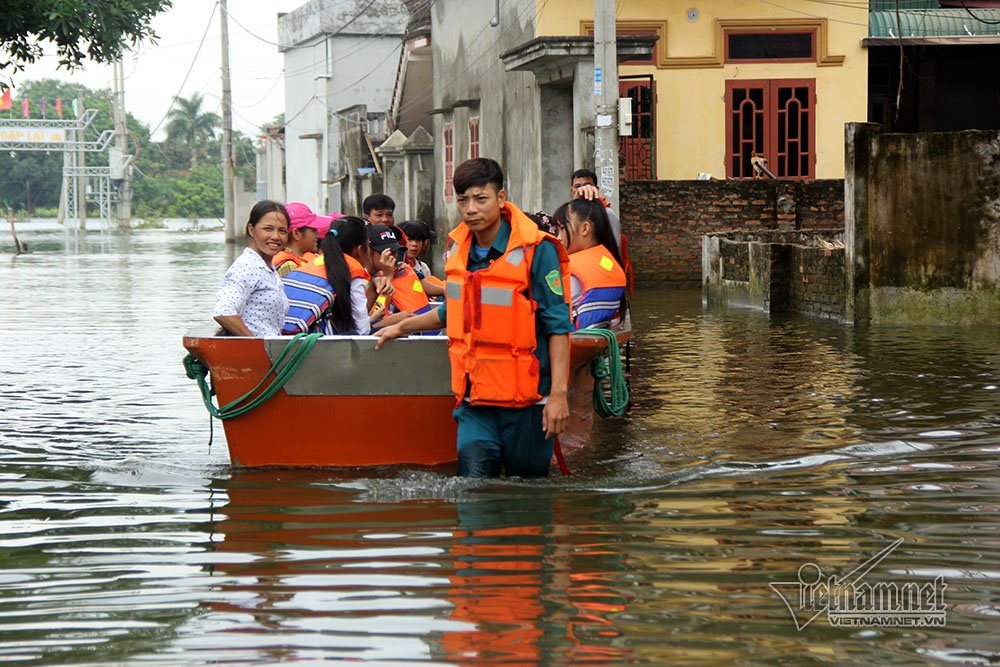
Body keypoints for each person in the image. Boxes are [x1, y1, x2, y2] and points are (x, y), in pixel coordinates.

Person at [375, 157, 574, 478]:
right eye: (463, 199)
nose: (471, 209)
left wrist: (559, 397)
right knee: (473, 490)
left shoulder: (537, 250)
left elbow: (558, 326)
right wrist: (401, 326)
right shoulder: (459, 251)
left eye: (481, 199)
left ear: (501, 198)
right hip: (475, 401)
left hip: (529, 401)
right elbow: (452, 311)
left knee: (528, 500)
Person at [282, 216, 394, 335]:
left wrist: (372, 288)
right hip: (315, 344)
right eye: (368, 245)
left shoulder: (315, 263)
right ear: (359, 250)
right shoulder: (353, 272)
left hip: (286, 338)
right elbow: (362, 330)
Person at [213, 200, 291, 337]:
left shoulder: (268, 268)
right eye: (268, 229)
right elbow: (223, 311)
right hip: (255, 354)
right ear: (251, 230)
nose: (275, 237)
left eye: (282, 231)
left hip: (270, 352)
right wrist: (254, 344)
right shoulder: (247, 266)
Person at [551, 199, 628, 330]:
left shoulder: (572, 275)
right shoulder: (607, 263)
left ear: (585, 229)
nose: (558, 237)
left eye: (562, 229)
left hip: (570, 338)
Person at [570, 168, 634, 295]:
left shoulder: (607, 214)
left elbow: (612, 253)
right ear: (572, 191)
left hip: (600, 280)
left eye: (587, 186)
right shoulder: (569, 214)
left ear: (596, 189)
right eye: (577, 186)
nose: (582, 190)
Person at [272, 202, 335, 277]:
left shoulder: (292, 260)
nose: (318, 235)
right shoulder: (290, 266)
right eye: (313, 230)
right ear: (296, 233)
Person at [397, 219, 446, 298]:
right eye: (409, 240)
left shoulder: (423, 268)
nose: (414, 244)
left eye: (418, 240)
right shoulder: (395, 266)